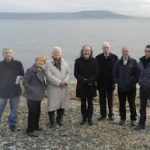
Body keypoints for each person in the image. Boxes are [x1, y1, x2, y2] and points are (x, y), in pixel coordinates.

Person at [0, 48, 24, 131]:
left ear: (12, 54)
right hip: (2, 92)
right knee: (0, 108)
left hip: (15, 91)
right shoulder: (0, 64)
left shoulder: (18, 63)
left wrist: (20, 79)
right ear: (3, 54)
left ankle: (12, 124)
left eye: (10, 52)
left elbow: (22, 75)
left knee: (14, 109)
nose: (8, 54)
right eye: (6, 53)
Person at [45, 47, 70, 128]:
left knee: (61, 104)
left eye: (58, 52)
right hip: (53, 87)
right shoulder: (48, 63)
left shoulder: (65, 62)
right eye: (55, 52)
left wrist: (65, 81)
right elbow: (48, 76)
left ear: (60, 53)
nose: (57, 53)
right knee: (52, 105)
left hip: (63, 87)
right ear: (52, 53)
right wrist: (59, 82)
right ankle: (52, 121)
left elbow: (68, 73)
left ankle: (59, 119)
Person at [23, 54, 47, 137]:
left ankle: (36, 126)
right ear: (36, 61)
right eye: (39, 60)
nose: (41, 62)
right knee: (32, 113)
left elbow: (44, 81)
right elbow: (25, 83)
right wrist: (33, 90)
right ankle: (29, 130)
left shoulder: (42, 70)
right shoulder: (30, 70)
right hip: (31, 95)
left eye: (42, 61)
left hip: (39, 95)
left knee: (37, 112)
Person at [74, 45, 98, 125]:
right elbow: (76, 73)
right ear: (82, 51)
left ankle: (90, 119)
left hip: (91, 85)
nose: (87, 52)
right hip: (81, 85)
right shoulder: (78, 61)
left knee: (90, 102)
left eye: (88, 50)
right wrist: (83, 80)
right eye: (85, 50)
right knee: (83, 102)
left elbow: (96, 74)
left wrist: (89, 80)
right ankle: (84, 118)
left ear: (90, 52)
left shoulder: (95, 61)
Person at [114, 46, 138, 126]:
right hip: (121, 88)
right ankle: (122, 119)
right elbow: (115, 73)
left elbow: (137, 74)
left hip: (131, 88)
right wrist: (118, 82)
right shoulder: (118, 62)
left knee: (132, 104)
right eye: (124, 51)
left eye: (126, 51)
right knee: (122, 104)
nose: (125, 53)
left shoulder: (133, 62)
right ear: (122, 52)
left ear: (129, 52)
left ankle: (133, 119)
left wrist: (133, 83)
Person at [96, 42, 118, 121]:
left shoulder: (115, 57)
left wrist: (114, 81)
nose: (106, 49)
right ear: (102, 49)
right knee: (102, 100)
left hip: (110, 82)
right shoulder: (98, 57)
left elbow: (116, 71)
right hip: (101, 82)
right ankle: (103, 114)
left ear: (110, 48)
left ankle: (111, 115)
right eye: (104, 48)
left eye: (107, 47)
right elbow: (96, 70)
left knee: (110, 100)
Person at [136, 45, 150, 130]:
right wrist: (139, 82)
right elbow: (137, 73)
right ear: (144, 51)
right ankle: (142, 124)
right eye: (146, 51)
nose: (147, 53)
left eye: (149, 51)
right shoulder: (140, 61)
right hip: (143, 88)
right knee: (142, 107)